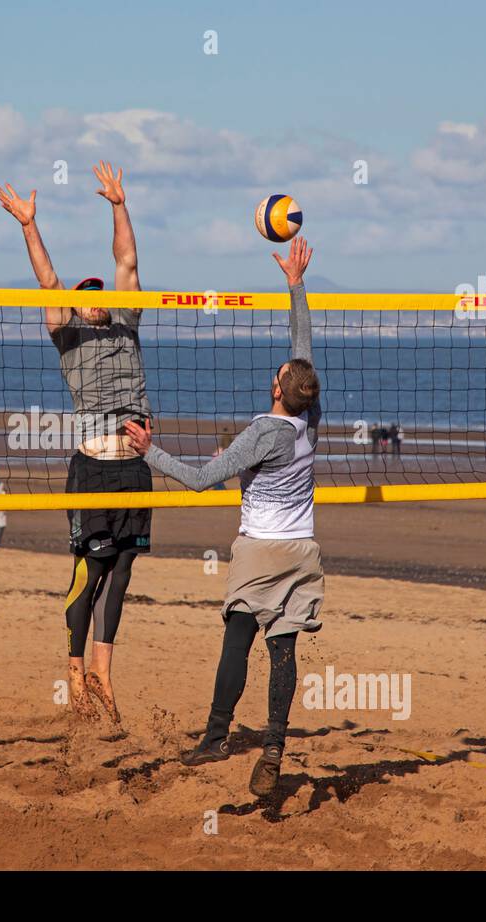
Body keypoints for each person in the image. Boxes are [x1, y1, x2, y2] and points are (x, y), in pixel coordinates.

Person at [126, 237, 322, 799]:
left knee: (237, 638)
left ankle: (215, 738)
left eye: (278, 373)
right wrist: (296, 285)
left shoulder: (263, 432)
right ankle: (274, 745)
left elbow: (198, 479)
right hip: (303, 551)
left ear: (277, 389)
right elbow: (303, 352)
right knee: (283, 650)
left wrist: (149, 453)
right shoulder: (311, 416)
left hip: (260, 550)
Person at [0, 159, 150, 725]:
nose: (94, 295)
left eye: (97, 291)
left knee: (123, 570)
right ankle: (74, 671)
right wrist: (29, 225)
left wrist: (119, 205)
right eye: (85, 293)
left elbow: (126, 260)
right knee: (91, 568)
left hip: (134, 467)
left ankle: (104, 675)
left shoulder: (127, 323)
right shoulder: (67, 337)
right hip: (92, 467)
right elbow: (48, 282)